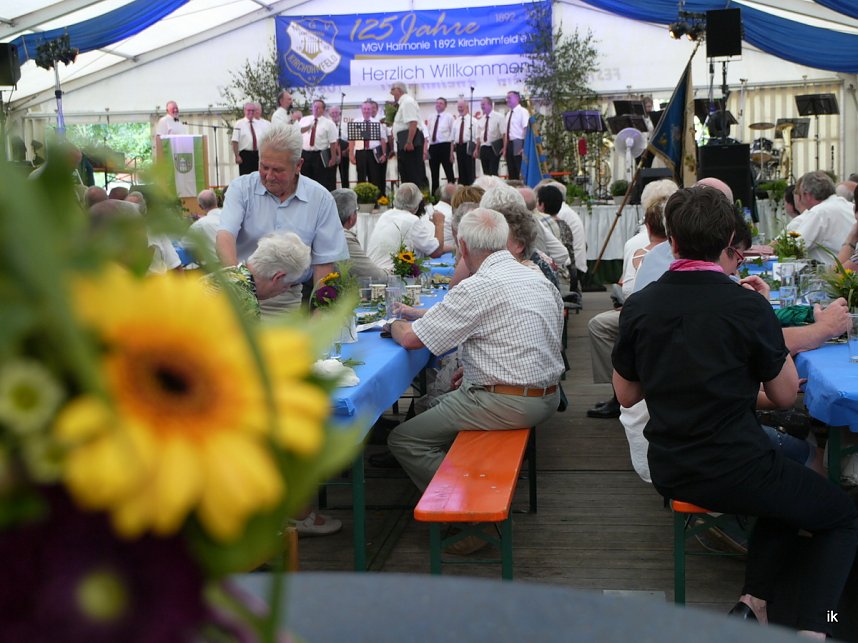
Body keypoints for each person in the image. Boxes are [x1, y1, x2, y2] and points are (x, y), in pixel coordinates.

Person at [612, 186, 858, 637]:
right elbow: (785, 397)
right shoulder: (746, 306)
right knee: (841, 515)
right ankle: (819, 626)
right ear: (729, 239)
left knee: (791, 474)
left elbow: (626, 395)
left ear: (673, 240)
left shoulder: (641, 306)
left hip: (669, 464)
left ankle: (755, 602)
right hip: (735, 466)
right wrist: (763, 318)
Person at [385, 208, 563, 498]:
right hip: (548, 395)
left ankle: (472, 503)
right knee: (434, 403)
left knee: (404, 439)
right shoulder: (535, 278)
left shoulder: (477, 287)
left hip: (508, 403)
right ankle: (465, 478)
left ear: (463, 246)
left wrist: (394, 323)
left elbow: (410, 340)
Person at [216, 124, 348, 315]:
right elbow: (225, 236)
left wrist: (319, 319)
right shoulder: (241, 189)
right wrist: (237, 286)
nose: (269, 176)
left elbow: (324, 265)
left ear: (298, 166)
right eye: (264, 167)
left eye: (278, 170)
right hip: (239, 295)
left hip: (290, 301)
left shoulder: (320, 199)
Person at [205, 232, 310, 319]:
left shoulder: (219, 277)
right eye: (288, 285)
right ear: (277, 277)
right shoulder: (247, 302)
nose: (286, 289)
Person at [366, 182, 444, 270]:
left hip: (372, 270)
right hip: (390, 274)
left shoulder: (385, 215)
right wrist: (439, 223)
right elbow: (436, 252)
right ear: (417, 204)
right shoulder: (411, 220)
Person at [786, 170, 854, 265]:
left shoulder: (820, 212)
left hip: (836, 273)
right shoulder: (848, 206)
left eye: (801, 195)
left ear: (808, 195)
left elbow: (795, 247)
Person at [332, 188, 387, 281]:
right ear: (351, 217)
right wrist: (389, 273)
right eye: (356, 210)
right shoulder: (344, 238)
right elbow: (376, 276)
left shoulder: (322, 231)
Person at [389, 82, 426, 189]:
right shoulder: (402, 103)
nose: (391, 92)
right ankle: (409, 202)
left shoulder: (407, 102)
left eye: (392, 89)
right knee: (405, 175)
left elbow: (413, 123)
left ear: (399, 90)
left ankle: (417, 204)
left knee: (412, 175)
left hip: (409, 142)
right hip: (402, 141)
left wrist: (409, 141)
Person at [349, 100, 387, 198]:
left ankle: (375, 201)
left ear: (372, 110)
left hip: (373, 152)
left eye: (368, 109)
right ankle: (361, 200)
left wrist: (384, 154)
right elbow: (352, 140)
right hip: (360, 152)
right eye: (364, 109)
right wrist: (351, 155)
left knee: (374, 177)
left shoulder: (377, 122)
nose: (366, 111)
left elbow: (382, 139)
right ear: (361, 110)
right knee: (361, 176)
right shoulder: (356, 122)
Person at [298, 99, 338, 191]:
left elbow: (332, 142)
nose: (316, 109)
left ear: (323, 110)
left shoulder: (329, 123)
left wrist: (333, 157)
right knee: (305, 179)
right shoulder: (304, 120)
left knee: (320, 180)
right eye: (315, 107)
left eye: (319, 108)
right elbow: (297, 135)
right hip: (305, 154)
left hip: (320, 155)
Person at [182, 188, 222, 265]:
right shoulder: (231, 216)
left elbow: (185, 244)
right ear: (217, 200)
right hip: (241, 264)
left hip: (217, 268)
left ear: (200, 206)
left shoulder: (199, 225)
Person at [231, 102, 270, 176]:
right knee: (246, 177)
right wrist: (237, 156)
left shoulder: (259, 124)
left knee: (258, 176)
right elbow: (235, 141)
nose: (251, 112)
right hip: (245, 154)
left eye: (253, 110)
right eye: (249, 110)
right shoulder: (239, 124)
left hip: (258, 154)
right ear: (244, 111)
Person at [426, 97, 455, 196]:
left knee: (449, 173)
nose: (438, 105)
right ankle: (434, 197)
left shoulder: (449, 117)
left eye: (441, 103)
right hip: (433, 147)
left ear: (445, 105)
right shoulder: (431, 117)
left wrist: (451, 152)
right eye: (437, 103)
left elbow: (452, 136)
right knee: (434, 174)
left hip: (445, 146)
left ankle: (452, 195)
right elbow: (428, 134)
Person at [502, 91, 529, 181]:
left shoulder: (523, 111)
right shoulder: (508, 114)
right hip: (510, 143)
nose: (507, 100)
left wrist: (524, 146)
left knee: (518, 169)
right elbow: (506, 133)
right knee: (511, 169)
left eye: (509, 97)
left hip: (518, 142)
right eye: (507, 98)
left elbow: (526, 129)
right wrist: (505, 149)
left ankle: (521, 189)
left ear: (517, 98)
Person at [476, 97, 503, 176]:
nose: (482, 106)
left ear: (490, 105)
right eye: (481, 105)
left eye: (483, 104)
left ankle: (495, 188)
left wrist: (504, 148)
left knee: (493, 172)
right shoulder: (481, 119)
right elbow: (478, 136)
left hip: (493, 148)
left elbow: (504, 134)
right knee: (486, 173)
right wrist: (477, 149)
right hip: (483, 148)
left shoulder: (499, 117)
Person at [452, 99, 476, 186]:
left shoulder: (473, 121)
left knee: (470, 171)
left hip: (469, 146)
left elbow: (476, 137)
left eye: (461, 107)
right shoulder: (456, 122)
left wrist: (476, 149)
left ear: (467, 107)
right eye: (458, 107)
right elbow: (452, 139)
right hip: (459, 147)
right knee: (461, 171)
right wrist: (451, 153)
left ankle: (471, 191)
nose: (460, 109)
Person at [328, 105, 350, 189]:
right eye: (332, 113)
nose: (334, 114)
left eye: (336, 112)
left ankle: (346, 193)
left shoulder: (345, 125)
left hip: (344, 152)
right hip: (332, 152)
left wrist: (347, 150)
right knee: (331, 176)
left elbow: (350, 140)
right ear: (330, 114)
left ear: (340, 113)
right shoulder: (328, 125)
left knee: (345, 175)